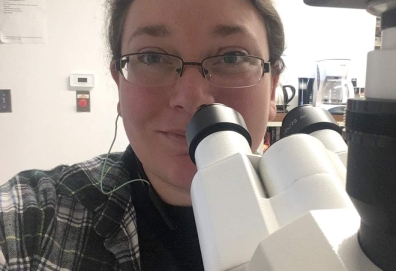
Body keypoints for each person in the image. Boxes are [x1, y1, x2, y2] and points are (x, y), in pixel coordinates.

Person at [0, 0, 285, 270]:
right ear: (119, 85)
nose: (192, 98)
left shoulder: (324, 211)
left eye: (232, 57)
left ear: (272, 87)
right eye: (152, 57)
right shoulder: (35, 219)